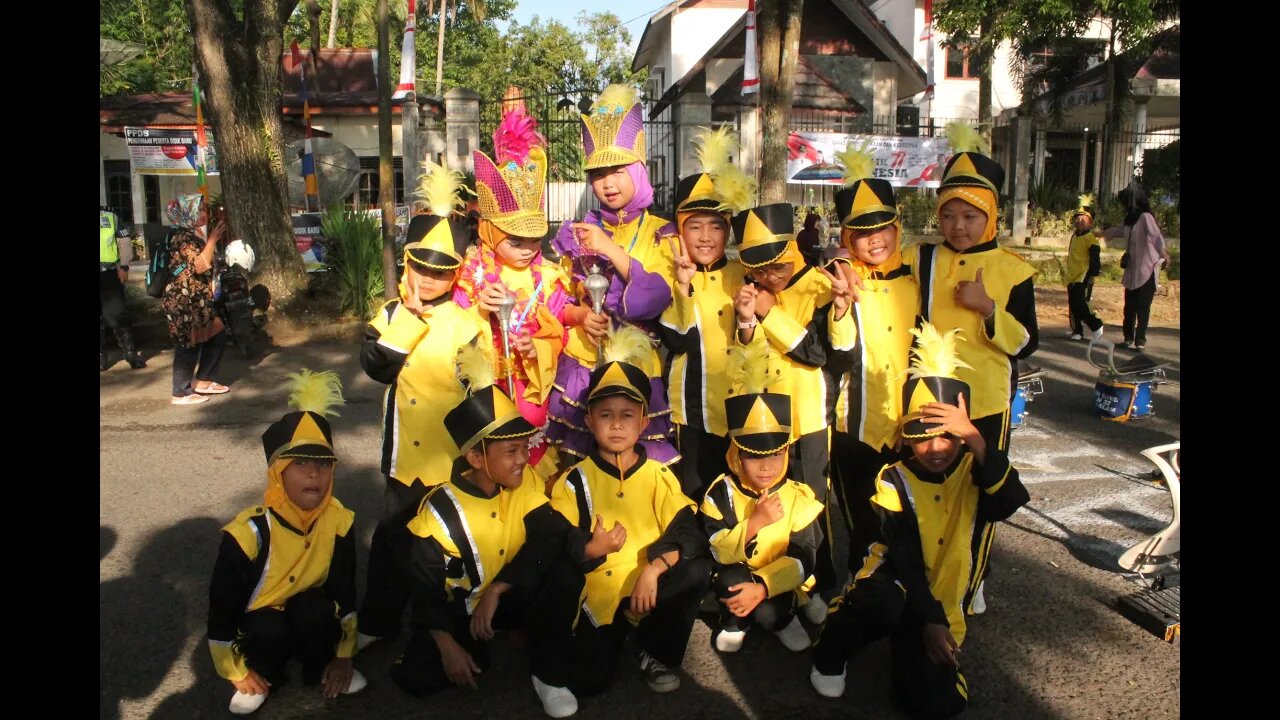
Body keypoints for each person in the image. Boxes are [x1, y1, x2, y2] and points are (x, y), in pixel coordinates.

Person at [809, 323, 1029, 718]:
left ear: (961, 437)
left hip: (939, 599)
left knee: (935, 704)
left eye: (948, 436)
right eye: (921, 437)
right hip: (894, 582)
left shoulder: (973, 468)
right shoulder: (893, 477)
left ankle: (911, 648)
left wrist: (978, 440)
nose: (935, 448)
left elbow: (1011, 500)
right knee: (882, 605)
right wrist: (930, 620)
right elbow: (905, 554)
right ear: (904, 439)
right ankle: (833, 644)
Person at [390, 344, 574, 719]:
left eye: (524, 448)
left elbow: (551, 535)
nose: (524, 460)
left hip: (502, 597)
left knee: (564, 572)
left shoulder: (525, 485)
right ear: (476, 458)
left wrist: (500, 588)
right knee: (417, 678)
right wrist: (445, 643)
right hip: (460, 610)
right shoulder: (437, 511)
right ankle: (474, 644)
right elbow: (424, 588)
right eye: (511, 452)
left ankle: (548, 674)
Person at [901, 124, 1037, 614]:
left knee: (981, 493)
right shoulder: (923, 257)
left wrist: (988, 310)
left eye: (971, 216)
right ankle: (924, 572)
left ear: (992, 217)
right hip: (931, 397)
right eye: (950, 214)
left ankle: (974, 576)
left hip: (985, 402)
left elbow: (1026, 343)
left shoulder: (1014, 269)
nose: (959, 226)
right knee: (931, 489)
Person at [540, 326, 711, 701]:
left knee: (696, 570)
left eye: (627, 415)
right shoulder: (574, 481)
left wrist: (654, 568)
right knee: (588, 684)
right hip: (598, 595)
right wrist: (588, 548)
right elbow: (556, 542)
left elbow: (687, 532)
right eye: (605, 415)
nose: (617, 425)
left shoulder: (658, 475)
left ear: (644, 423)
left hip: (648, 587)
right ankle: (616, 633)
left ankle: (653, 647)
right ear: (589, 421)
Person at [356, 163, 489, 649]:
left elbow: (481, 387)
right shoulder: (389, 313)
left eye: (441, 271)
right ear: (407, 264)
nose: (429, 279)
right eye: (421, 268)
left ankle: (445, 624)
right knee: (391, 540)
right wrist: (407, 320)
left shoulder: (468, 319)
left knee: (442, 543)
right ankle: (377, 621)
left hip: (452, 455)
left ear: (455, 273)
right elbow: (376, 366)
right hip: (405, 458)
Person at [206, 370, 366, 715]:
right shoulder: (247, 533)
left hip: (309, 612)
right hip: (261, 623)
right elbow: (221, 608)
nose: (314, 474)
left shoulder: (340, 521)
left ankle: (319, 667)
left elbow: (344, 590)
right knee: (267, 626)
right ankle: (264, 675)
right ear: (277, 474)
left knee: (315, 608)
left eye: (324, 464)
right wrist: (235, 671)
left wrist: (343, 655)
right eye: (301, 464)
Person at [731, 200, 855, 620]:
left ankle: (818, 585)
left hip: (807, 419)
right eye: (759, 270)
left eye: (778, 267)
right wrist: (747, 319)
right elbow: (744, 351)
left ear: (793, 251)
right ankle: (773, 588)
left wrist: (769, 313)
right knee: (767, 505)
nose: (769, 277)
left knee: (811, 508)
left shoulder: (822, 287)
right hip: (764, 421)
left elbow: (822, 354)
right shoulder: (754, 290)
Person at [548, 83, 680, 468]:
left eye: (618, 171)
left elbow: (657, 298)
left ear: (638, 171)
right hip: (583, 365)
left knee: (639, 470)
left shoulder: (662, 231)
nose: (607, 184)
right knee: (578, 470)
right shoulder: (575, 234)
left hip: (639, 368)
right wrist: (579, 317)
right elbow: (558, 300)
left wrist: (610, 249)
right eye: (598, 173)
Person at [824, 144, 919, 611]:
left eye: (881, 227)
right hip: (854, 425)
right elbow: (837, 350)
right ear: (846, 238)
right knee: (859, 517)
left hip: (911, 421)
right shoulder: (840, 280)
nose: (873, 239)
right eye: (860, 233)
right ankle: (858, 593)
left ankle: (909, 594)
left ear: (896, 228)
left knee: (908, 517)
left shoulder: (919, 278)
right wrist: (840, 302)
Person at [454, 108, 570, 476]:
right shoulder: (467, 275)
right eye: (515, 239)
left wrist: (533, 348)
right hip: (485, 398)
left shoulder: (551, 278)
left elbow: (561, 333)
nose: (527, 249)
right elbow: (452, 334)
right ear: (489, 230)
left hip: (531, 398)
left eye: (535, 239)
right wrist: (479, 313)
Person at [699, 341, 824, 655]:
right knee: (728, 581)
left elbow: (804, 558)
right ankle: (733, 621)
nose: (767, 466)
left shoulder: (798, 497)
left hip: (777, 579)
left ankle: (783, 618)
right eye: (754, 457)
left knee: (770, 613)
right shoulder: (720, 494)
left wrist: (764, 586)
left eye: (776, 454)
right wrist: (754, 523)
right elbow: (715, 548)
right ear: (736, 456)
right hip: (737, 572)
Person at [657, 126, 756, 499]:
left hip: (734, 405)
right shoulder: (669, 274)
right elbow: (676, 339)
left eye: (716, 227)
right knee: (693, 491)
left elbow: (750, 342)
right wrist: (682, 286)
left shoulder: (741, 274)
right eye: (694, 226)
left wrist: (746, 317)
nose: (705, 237)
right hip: (690, 410)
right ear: (680, 230)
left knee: (733, 492)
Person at [163, 194, 230, 405]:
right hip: (183, 299)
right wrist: (212, 241)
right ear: (186, 214)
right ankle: (180, 392)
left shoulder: (192, 235)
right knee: (189, 342)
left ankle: (204, 381)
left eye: (204, 210)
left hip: (198, 298)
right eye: (199, 210)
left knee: (216, 334)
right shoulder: (182, 237)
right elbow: (199, 266)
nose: (204, 214)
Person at [1102, 182, 1170, 351]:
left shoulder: (1146, 217)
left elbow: (1156, 236)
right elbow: (1118, 230)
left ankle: (1140, 340)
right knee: (1129, 306)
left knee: (1143, 307)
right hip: (1133, 269)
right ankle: (1127, 338)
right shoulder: (1129, 219)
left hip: (1147, 269)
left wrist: (1164, 253)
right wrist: (1101, 233)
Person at [100, 205, 146, 371]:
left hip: (108, 273)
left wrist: (124, 266)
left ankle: (130, 353)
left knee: (118, 314)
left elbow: (124, 242)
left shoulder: (109, 215)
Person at [1065, 194, 1104, 342]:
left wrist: (1092, 276)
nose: (1079, 221)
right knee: (1073, 305)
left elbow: (1095, 260)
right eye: (1078, 218)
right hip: (1072, 275)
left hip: (1083, 276)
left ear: (1090, 223)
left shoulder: (1091, 240)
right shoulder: (1074, 236)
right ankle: (1077, 330)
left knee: (1081, 304)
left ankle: (1096, 325)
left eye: (1083, 219)